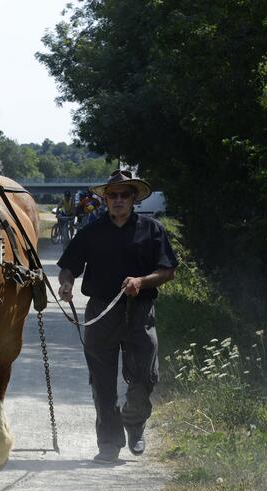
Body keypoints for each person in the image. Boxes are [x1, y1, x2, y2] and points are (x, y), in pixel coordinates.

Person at [56, 169, 177, 464]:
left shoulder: (152, 230)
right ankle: (109, 443)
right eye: (113, 195)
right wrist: (67, 283)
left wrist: (141, 281)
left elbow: (167, 270)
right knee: (102, 382)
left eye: (125, 194)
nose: (119, 199)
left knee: (145, 377)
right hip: (101, 312)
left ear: (134, 197)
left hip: (140, 312)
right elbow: (69, 266)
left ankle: (134, 425)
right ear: (105, 199)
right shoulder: (91, 231)